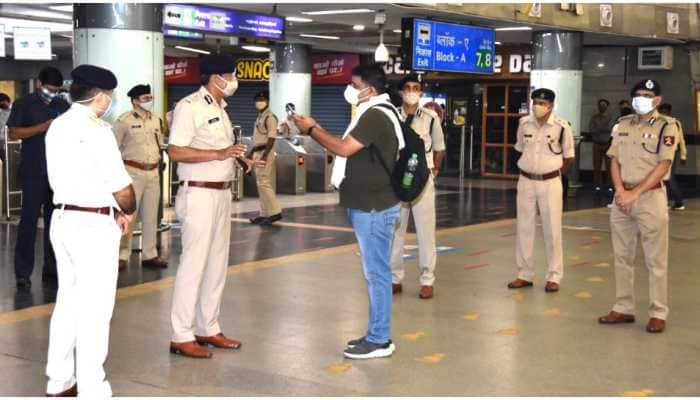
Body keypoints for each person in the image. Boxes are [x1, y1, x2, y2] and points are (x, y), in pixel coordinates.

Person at [292, 64, 404, 359]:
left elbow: (343, 149)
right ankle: (375, 333)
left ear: (369, 89)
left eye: (354, 85)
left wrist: (312, 129)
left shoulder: (376, 115)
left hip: (374, 207)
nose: (350, 90)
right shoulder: (377, 112)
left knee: (377, 273)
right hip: (371, 204)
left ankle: (379, 340)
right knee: (375, 271)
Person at [44, 64, 136, 397]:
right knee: (96, 310)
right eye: (108, 96)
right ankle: (93, 388)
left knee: (68, 302)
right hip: (93, 228)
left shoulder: (57, 125)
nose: (109, 102)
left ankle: (59, 380)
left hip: (63, 220)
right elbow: (121, 188)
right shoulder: (97, 131)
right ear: (99, 97)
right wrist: (128, 209)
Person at [168, 54, 256, 358]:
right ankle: (181, 334)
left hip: (221, 195)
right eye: (230, 74)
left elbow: (218, 149)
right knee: (193, 265)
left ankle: (208, 327)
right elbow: (176, 151)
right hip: (198, 195)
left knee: (217, 264)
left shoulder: (221, 107)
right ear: (213, 77)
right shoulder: (188, 106)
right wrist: (220, 153)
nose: (233, 80)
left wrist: (240, 158)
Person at [598, 79, 680, 334]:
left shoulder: (668, 126)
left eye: (646, 94)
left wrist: (635, 193)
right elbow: (613, 160)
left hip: (650, 198)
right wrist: (621, 191)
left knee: (655, 259)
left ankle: (658, 312)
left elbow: (664, 165)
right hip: (623, 197)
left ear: (657, 100)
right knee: (622, 256)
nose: (640, 98)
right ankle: (623, 307)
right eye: (637, 94)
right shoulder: (622, 125)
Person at [7, 67, 70, 290]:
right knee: (29, 224)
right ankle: (23, 273)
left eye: (56, 90)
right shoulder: (24, 104)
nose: (51, 94)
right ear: (38, 84)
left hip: (57, 174)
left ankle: (51, 269)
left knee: (56, 225)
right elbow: (14, 133)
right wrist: (43, 127)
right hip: (33, 172)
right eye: (48, 89)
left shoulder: (62, 105)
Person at [507, 88, 575, 293]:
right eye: (535, 101)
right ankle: (524, 274)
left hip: (550, 182)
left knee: (552, 228)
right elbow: (518, 149)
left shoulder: (562, 127)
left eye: (543, 103)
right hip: (526, 180)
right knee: (524, 228)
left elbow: (569, 157)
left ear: (551, 106)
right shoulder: (523, 123)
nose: (538, 106)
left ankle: (554, 275)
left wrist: (554, 174)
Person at [389, 74, 445, 300]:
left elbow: (439, 148)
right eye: (408, 88)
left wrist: (434, 170)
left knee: (425, 231)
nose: (412, 91)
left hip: (422, 180)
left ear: (421, 92)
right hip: (398, 180)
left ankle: (427, 279)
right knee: (396, 231)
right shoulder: (392, 116)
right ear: (401, 92)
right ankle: (394, 278)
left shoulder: (431, 118)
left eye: (416, 88)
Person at [113, 84, 168, 270]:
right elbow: (113, 150)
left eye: (150, 98)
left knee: (151, 216)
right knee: (129, 215)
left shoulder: (156, 120)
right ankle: (121, 254)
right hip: (131, 173)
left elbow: (159, 144)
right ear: (134, 100)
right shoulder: (123, 121)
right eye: (145, 98)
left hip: (153, 172)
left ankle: (150, 254)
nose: (149, 101)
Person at [247, 91, 282, 226]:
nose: (259, 102)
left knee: (263, 182)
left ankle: (275, 212)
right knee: (260, 183)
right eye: (257, 100)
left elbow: (271, 138)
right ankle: (264, 214)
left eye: (261, 99)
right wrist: (251, 152)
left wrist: (265, 155)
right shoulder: (260, 116)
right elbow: (258, 139)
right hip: (258, 151)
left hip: (264, 153)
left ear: (267, 101)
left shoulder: (270, 117)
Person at [657, 103, 686, 211]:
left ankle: (678, 201)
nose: (664, 113)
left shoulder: (675, 123)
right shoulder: (658, 122)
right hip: (660, 153)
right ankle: (667, 201)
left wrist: (683, 154)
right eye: (662, 111)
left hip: (672, 152)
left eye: (666, 111)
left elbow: (681, 140)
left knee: (668, 177)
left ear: (669, 112)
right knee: (663, 178)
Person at [588, 98, 613, 192]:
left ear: (607, 106)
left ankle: (609, 185)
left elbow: (610, 129)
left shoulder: (610, 117)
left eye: (603, 105)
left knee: (609, 166)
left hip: (607, 144)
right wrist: (602, 128)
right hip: (596, 144)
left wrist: (599, 128)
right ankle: (597, 186)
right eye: (600, 105)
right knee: (596, 166)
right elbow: (591, 129)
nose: (601, 107)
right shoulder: (594, 117)